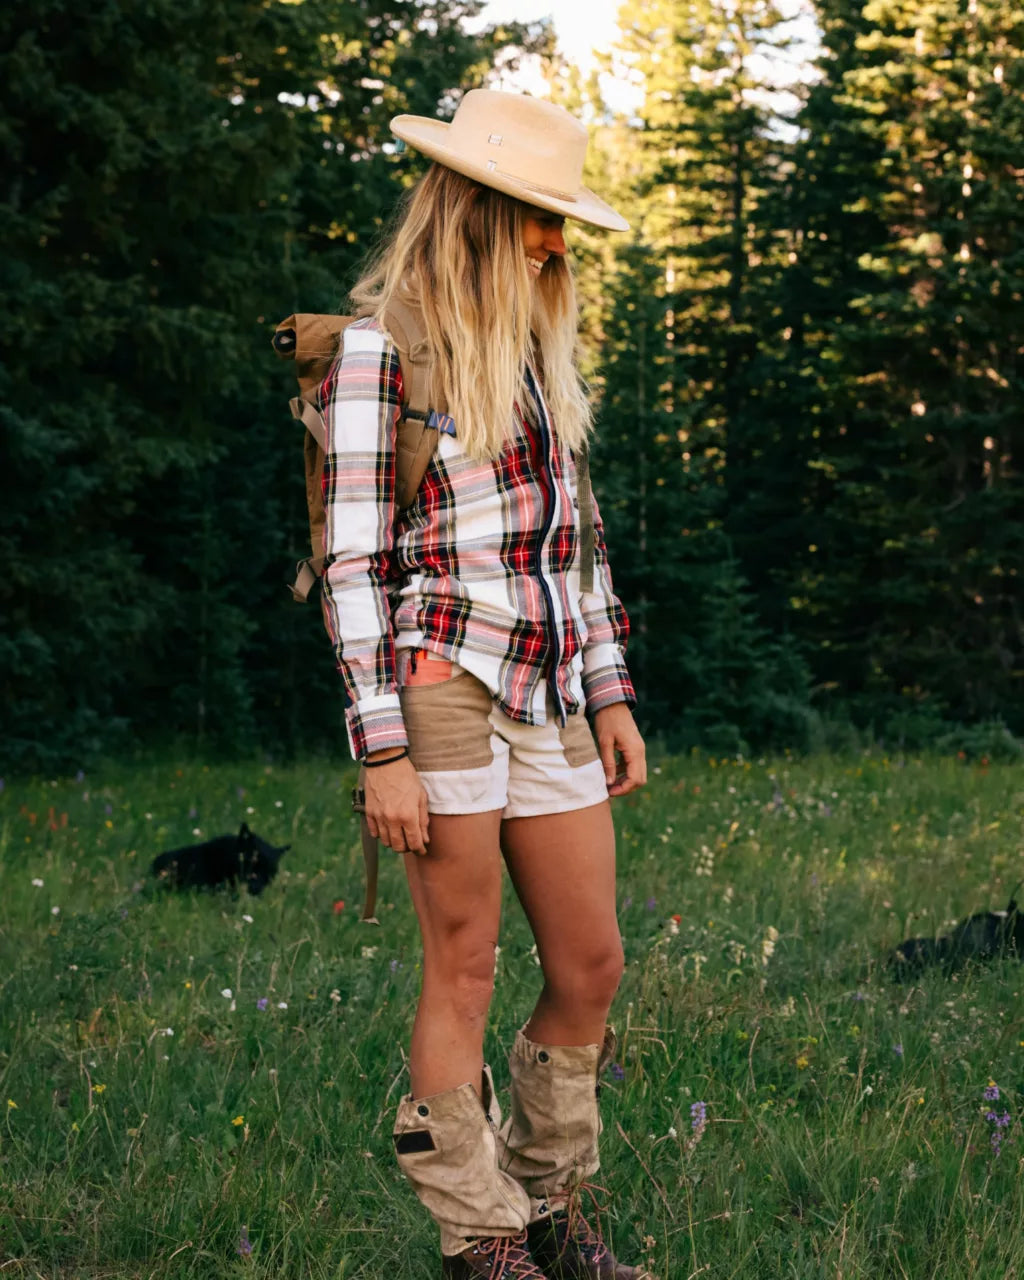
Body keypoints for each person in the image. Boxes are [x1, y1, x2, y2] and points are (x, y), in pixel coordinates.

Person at [319, 87, 650, 1280]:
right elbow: (350, 565)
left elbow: (581, 545)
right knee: (463, 961)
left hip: (551, 686)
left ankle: (552, 1206)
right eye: (539, 220)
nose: (559, 244)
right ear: (475, 211)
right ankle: (482, 1233)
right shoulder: (381, 350)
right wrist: (382, 748)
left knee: (591, 960)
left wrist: (608, 690)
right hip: (442, 680)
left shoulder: (541, 355)